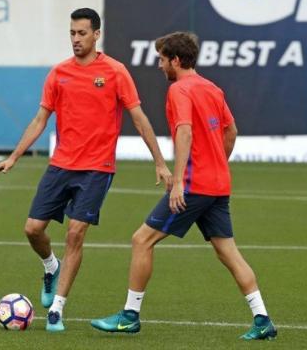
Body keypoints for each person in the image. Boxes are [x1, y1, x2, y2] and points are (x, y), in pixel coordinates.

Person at [0, 8, 171, 332]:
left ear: (96, 34)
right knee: (32, 229)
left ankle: (57, 309)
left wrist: (159, 160)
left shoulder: (115, 71)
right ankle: (49, 265)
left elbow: (139, 118)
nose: (75, 39)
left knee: (75, 233)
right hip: (60, 165)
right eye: (72, 33)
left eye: (82, 33)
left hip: (97, 169)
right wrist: (14, 156)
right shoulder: (59, 73)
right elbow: (40, 120)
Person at [90, 32, 277, 340]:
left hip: (194, 186)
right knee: (227, 251)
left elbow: (185, 133)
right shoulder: (212, 88)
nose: (160, 66)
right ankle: (262, 319)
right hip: (217, 184)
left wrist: (178, 182)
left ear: (176, 61)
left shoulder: (179, 90)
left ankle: (129, 316)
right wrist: (217, 163)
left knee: (141, 240)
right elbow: (231, 132)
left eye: (162, 60)